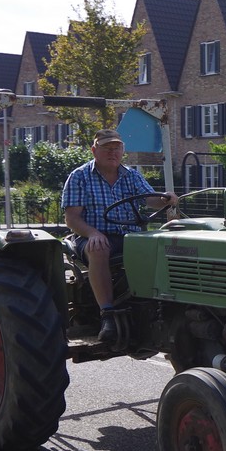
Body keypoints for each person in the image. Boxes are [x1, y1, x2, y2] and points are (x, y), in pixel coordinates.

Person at [61, 129, 177, 344]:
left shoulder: (131, 175)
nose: (112, 152)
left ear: (123, 151)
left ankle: (163, 306)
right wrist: (92, 233)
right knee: (99, 248)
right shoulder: (79, 176)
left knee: (166, 245)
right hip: (90, 235)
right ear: (94, 150)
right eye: (106, 148)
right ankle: (107, 314)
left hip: (129, 235)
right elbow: (72, 218)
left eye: (116, 148)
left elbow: (151, 199)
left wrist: (165, 199)